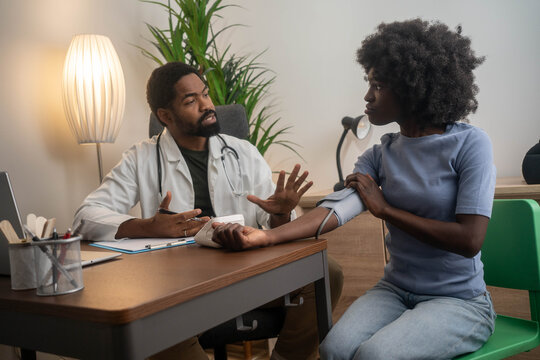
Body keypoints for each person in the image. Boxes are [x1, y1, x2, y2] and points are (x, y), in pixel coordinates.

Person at [212, 18, 496, 359]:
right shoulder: (379, 155)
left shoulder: (471, 144)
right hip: (396, 290)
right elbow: (336, 209)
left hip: (459, 300)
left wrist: (387, 210)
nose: (367, 95)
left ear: (411, 87)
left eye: (378, 85)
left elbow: (469, 240)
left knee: (373, 356)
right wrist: (265, 236)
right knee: (332, 349)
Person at [72, 61, 343, 360]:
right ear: (165, 115)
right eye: (191, 101)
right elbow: (86, 215)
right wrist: (147, 227)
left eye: (205, 94)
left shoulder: (243, 152)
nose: (206, 105)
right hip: (182, 283)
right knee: (153, 328)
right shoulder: (142, 158)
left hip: (248, 271)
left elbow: (274, 224)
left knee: (326, 273)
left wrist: (280, 213)